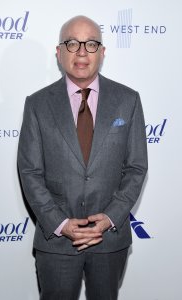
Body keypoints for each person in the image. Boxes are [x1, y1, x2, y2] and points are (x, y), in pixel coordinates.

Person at [18, 15, 148, 300]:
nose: (81, 52)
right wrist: (61, 224)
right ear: (59, 52)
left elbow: (136, 168)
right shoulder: (37, 104)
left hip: (109, 240)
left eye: (90, 44)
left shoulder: (129, 100)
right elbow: (29, 172)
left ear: (102, 52)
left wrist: (111, 217)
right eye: (72, 43)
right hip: (56, 242)